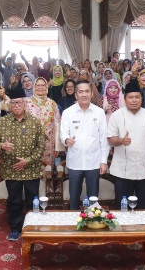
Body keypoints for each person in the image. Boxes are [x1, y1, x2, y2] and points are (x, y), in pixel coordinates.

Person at [0, 88, 45, 242]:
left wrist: (27, 161)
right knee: (14, 201)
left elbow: (40, 147)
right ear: (10, 104)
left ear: (25, 103)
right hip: (11, 170)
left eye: (19, 102)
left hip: (31, 169)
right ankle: (15, 229)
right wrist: (2, 145)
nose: (16, 106)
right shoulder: (2, 122)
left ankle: (31, 227)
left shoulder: (35, 122)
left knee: (32, 201)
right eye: (13, 103)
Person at [107, 81, 145, 210]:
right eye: (131, 97)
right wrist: (121, 141)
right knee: (122, 207)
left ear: (142, 98)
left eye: (137, 97)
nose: (134, 100)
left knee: (144, 207)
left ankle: (143, 229)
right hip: (122, 170)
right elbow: (110, 139)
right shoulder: (116, 116)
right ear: (125, 99)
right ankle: (124, 229)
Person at [60, 80, 110, 210]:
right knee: (74, 198)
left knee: (93, 199)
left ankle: (93, 225)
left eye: (87, 91)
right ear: (76, 95)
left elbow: (103, 139)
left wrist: (103, 161)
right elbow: (63, 133)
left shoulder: (99, 113)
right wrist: (66, 140)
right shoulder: (67, 112)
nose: (84, 94)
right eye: (80, 92)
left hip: (93, 162)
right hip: (74, 162)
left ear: (91, 93)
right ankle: (73, 223)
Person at [24, 78, 62, 166]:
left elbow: (58, 126)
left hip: (48, 143)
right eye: (38, 85)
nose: (40, 87)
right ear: (34, 87)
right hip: (30, 142)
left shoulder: (53, 104)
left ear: (46, 87)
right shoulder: (27, 103)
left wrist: (58, 147)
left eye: (43, 85)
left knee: (47, 170)